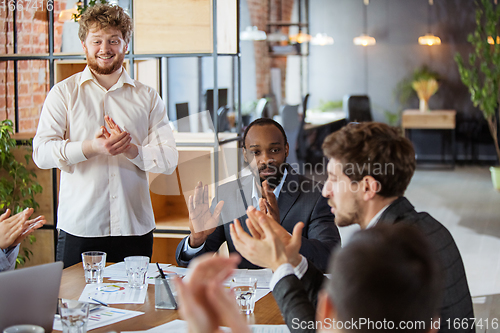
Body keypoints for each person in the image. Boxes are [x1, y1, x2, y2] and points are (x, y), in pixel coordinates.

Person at [231, 122, 474, 333]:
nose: (326, 191)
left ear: (367, 187)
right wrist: (292, 257)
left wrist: (279, 265)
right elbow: (348, 298)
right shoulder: (420, 229)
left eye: (334, 179)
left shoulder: (388, 252)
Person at [33, 4, 178, 268]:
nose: (105, 48)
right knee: (74, 306)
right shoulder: (63, 93)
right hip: (80, 227)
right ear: (84, 44)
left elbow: (169, 160)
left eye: (114, 40)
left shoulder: (147, 97)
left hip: (134, 227)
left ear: (126, 45)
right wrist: (90, 147)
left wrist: (131, 150)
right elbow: (41, 153)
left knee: (137, 305)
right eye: (97, 40)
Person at [175, 225, 442, 333]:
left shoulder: (311, 195)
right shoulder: (229, 194)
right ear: (433, 327)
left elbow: (327, 251)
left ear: (325, 310)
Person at [175, 118, 340, 271]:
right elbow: (190, 264)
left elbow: (330, 259)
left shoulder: (315, 195)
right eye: (256, 152)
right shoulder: (226, 194)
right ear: (245, 155)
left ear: (286, 150)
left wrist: (283, 237)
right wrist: (196, 240)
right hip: (246, 297)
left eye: (274, 150)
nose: (266, 159)